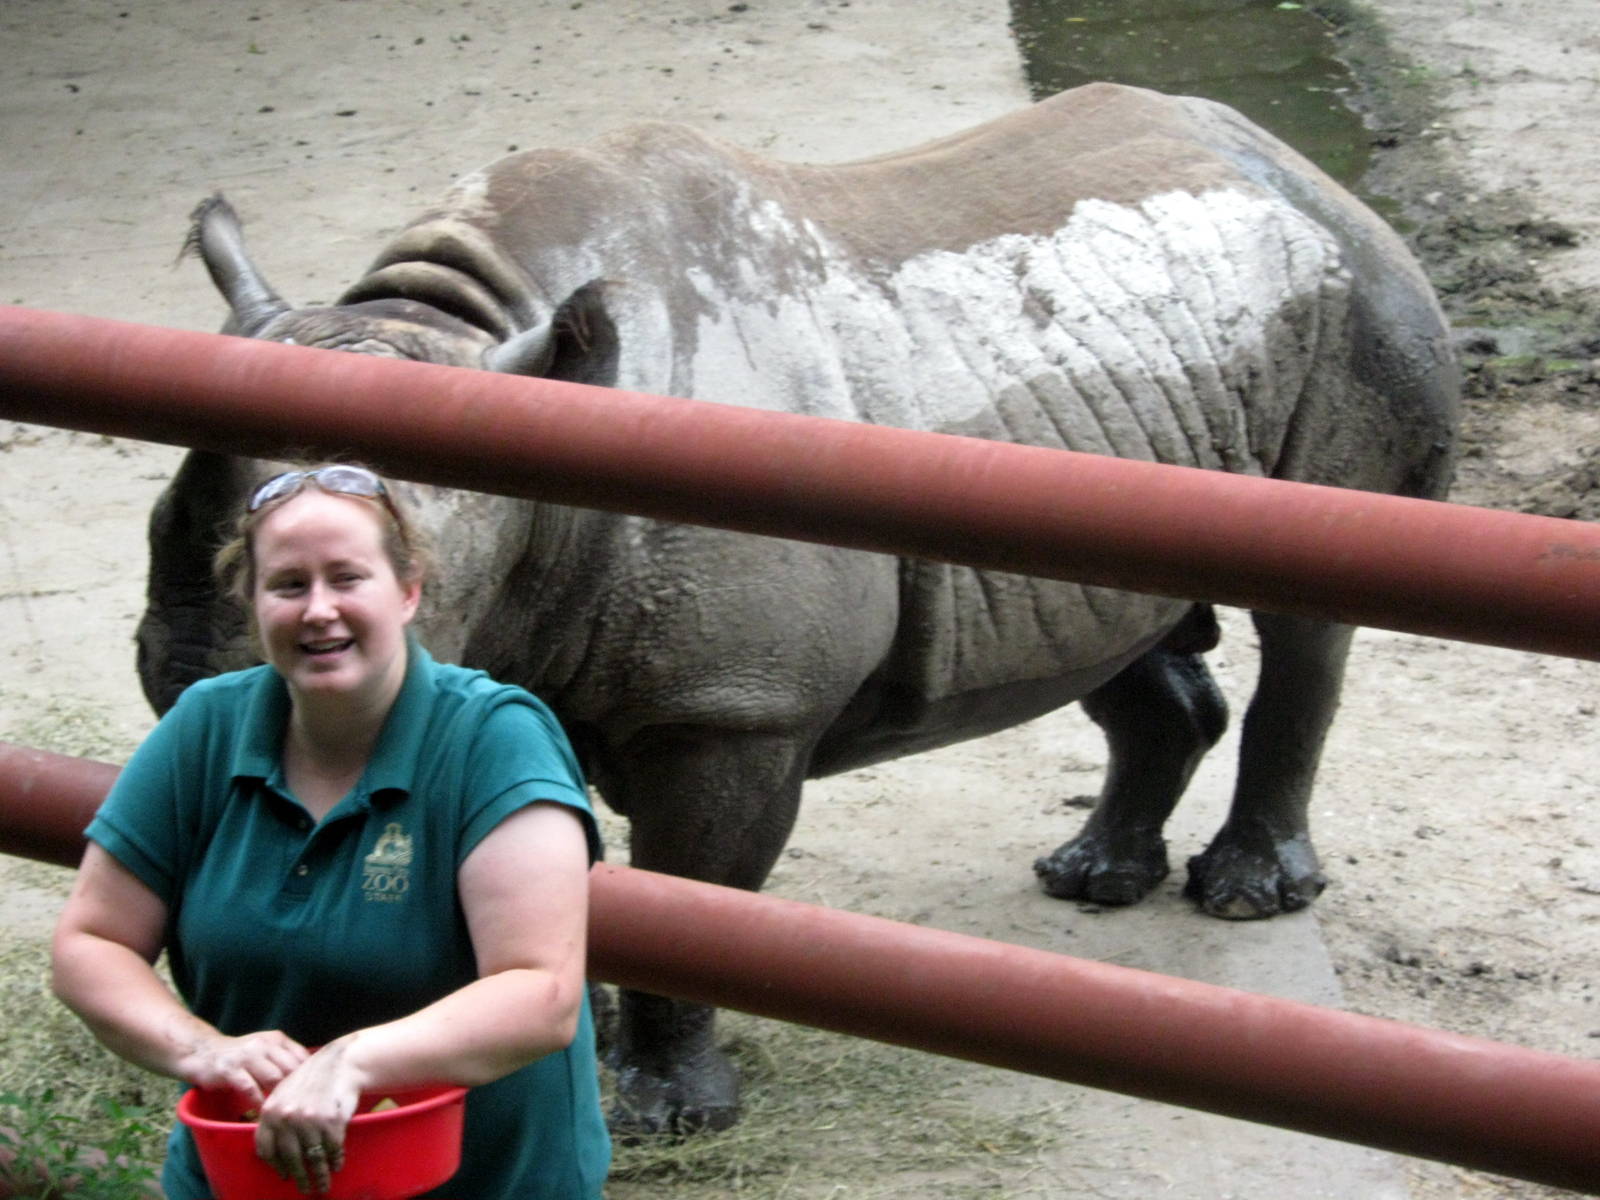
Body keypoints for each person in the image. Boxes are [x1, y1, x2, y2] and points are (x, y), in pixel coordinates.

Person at [51, 462, 611, 1199]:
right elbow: (91, 942)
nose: (319, 610)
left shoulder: (494, 739)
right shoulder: (205, 730)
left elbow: (540, 994)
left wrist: (351, 1063)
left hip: (478, 1180)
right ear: (250, 603)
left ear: (408, 591)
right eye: (288, 585)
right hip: (249, 1176)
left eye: (347, 578)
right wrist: (206, 1051)